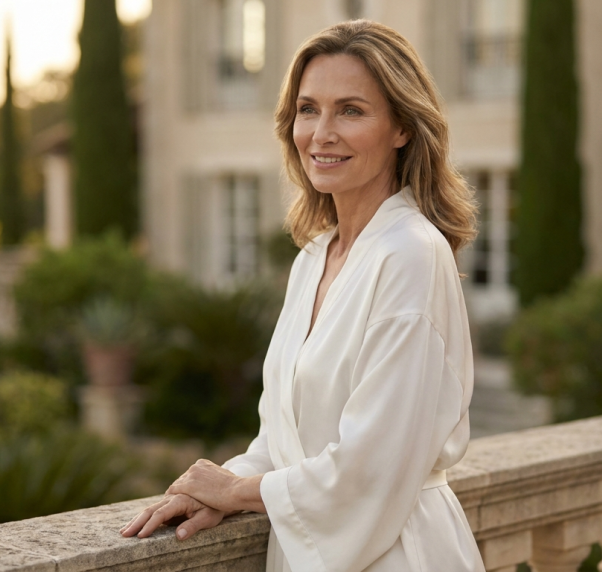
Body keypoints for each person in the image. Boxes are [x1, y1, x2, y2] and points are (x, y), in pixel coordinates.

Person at [121, 19, 485, 571]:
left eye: (352, 110)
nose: (321, 133)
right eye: (308, 109)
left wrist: (239, 493)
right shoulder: (314, 258)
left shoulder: (411, 253)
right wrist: (217, 486)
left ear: (402, 128)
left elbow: (374, 464)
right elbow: (281, 441)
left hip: (400, 554)